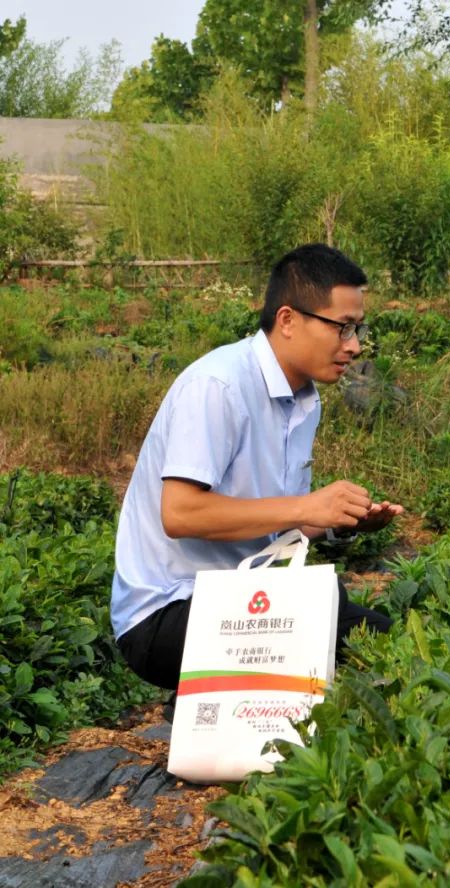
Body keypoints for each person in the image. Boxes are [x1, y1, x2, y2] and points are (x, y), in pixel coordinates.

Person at [112, 243, 400, 692]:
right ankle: (224, 744)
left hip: (244, 596)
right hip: (170, 611)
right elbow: (180, 514)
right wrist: (306, 505)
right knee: (327, 641)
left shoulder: (304, 401)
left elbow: (276, 525)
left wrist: (340, 523)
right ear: (287, 320)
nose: (355, 346)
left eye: (358, 329)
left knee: (383, 638)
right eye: (342, 328)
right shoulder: (219, 385)